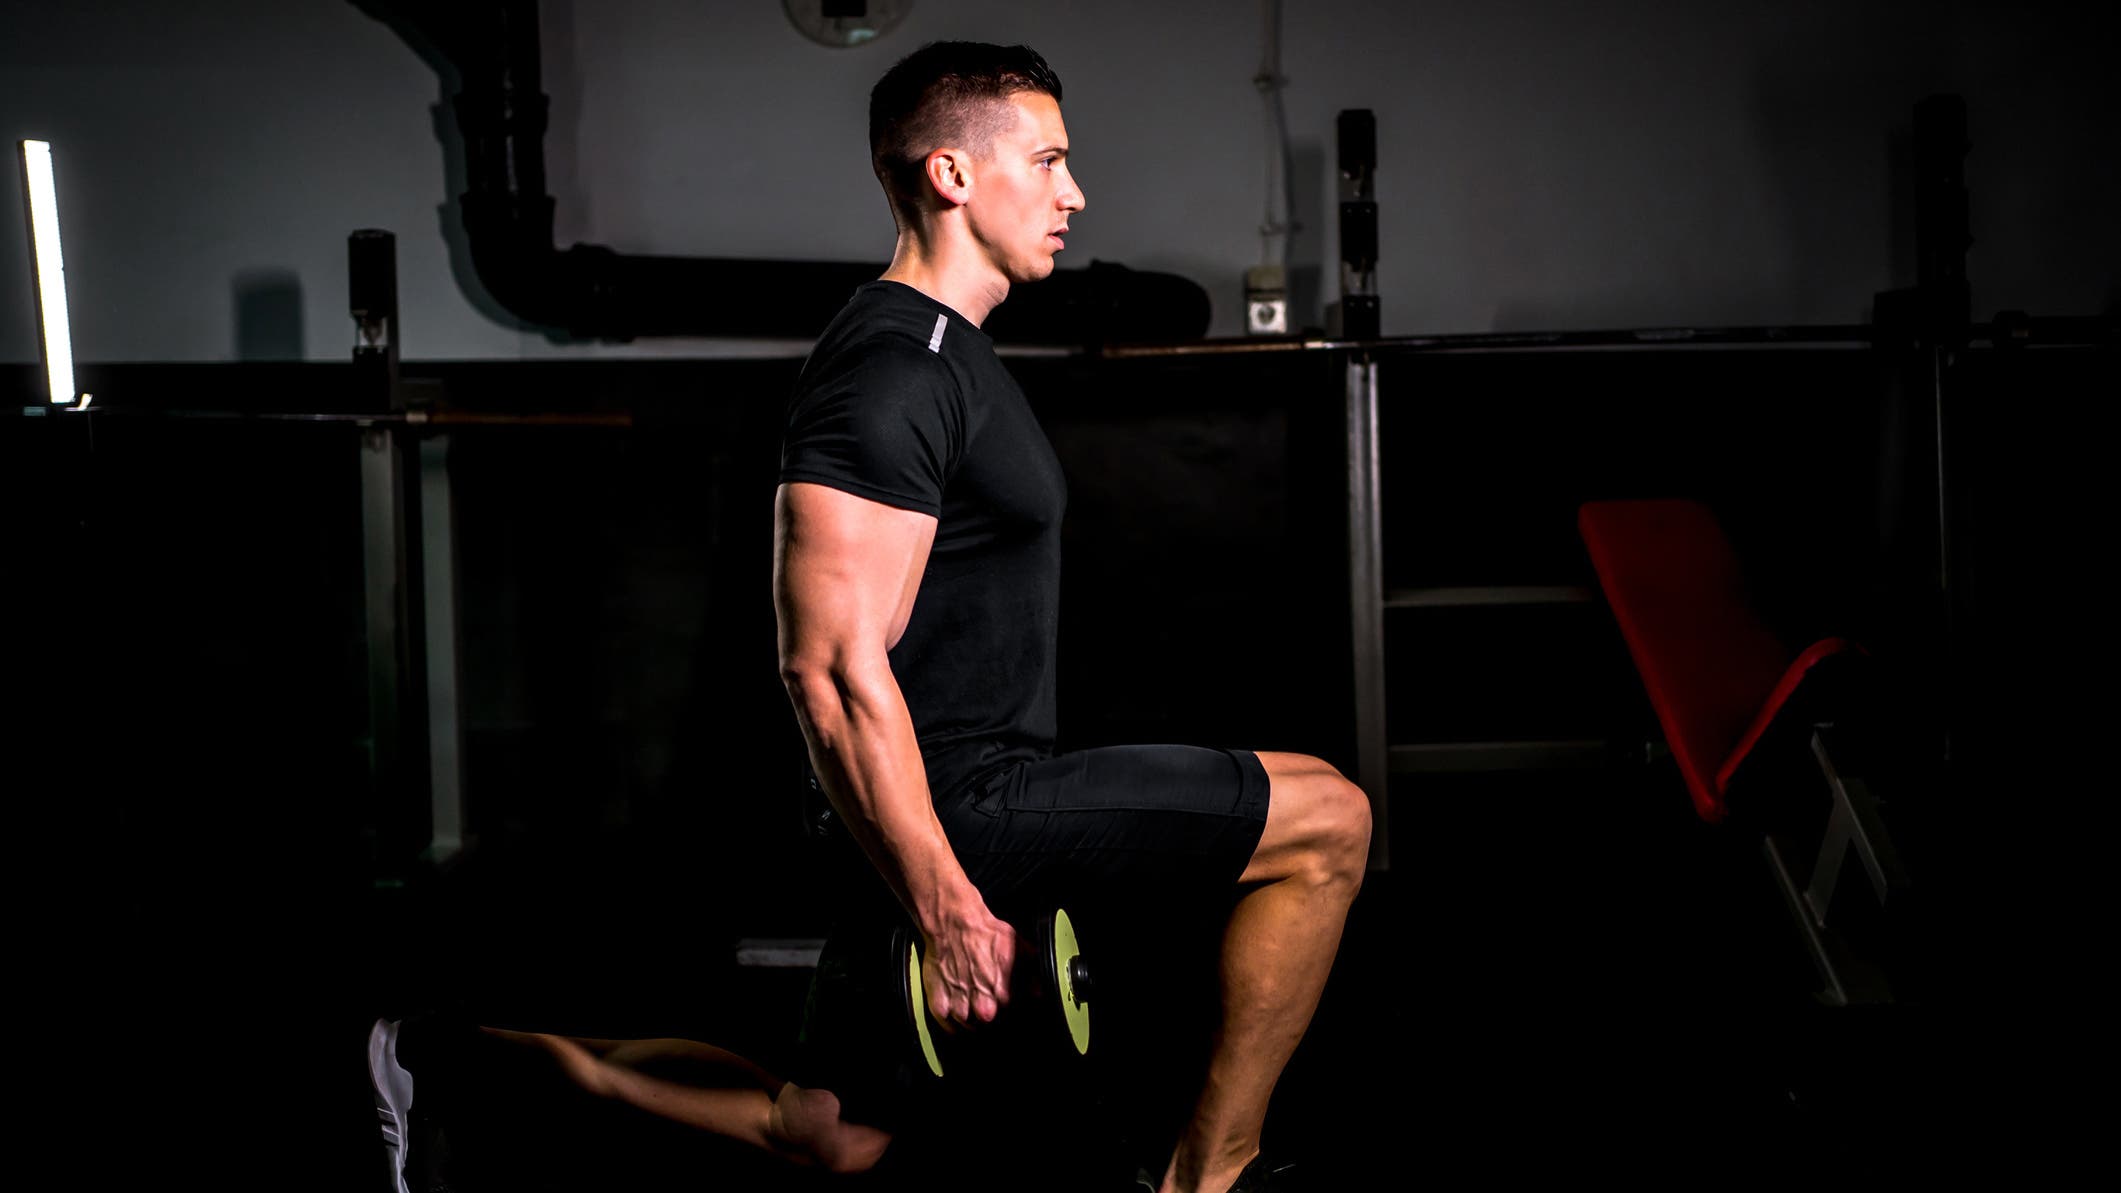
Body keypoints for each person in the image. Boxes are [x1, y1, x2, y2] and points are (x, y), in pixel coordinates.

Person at [774, 40, 1370, 1193]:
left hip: (954, 790)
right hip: (960, 805)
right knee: (1331, 821)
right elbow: (830, 670)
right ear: (953, 174)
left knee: (827, 1132)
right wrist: (944, 896)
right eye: (1047, 160)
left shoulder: (949, 352)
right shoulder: (891, 368)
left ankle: (444, 1058)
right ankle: (1211, 1177)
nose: (1073, 191)